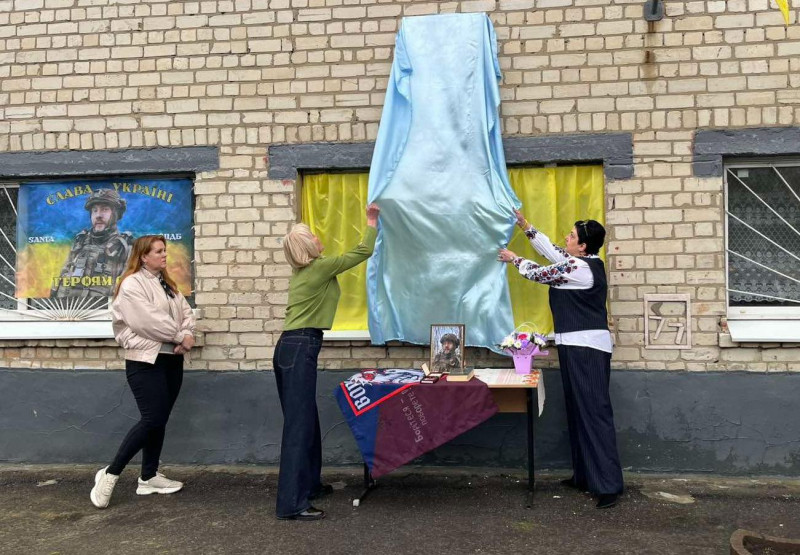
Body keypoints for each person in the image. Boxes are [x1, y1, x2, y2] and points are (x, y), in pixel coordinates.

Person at [498, 211, 623, 509]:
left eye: (572, 236)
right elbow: (552, 251)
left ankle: (608, 485)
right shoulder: (580, 261)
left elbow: (540, 273)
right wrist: (526, 226)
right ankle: (585, 476)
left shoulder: (579, 268)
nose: (566, 238)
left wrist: (514, 259)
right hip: (576, 347)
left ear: (583, 246)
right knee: (578, 411)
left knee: (593, 412)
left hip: (587, 349)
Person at [273, 203, 380, 521]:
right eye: (315, 237)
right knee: (299, 426)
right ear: (308, 246)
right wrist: (371, 221)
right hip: (299, 346)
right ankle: (291, 503)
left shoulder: (304, 271)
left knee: (306, 420)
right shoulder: (319, 268)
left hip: (291, 347)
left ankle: (310, 485)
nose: (320, 239)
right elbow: (362, 252)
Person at [90, 235, 195, 509]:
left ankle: (148, 477)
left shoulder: (168, 284)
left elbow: (186, 313)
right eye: (158, 251)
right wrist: (180, 335)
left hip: (171, 360)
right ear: (143, 256)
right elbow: (148, 321)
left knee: (160, 420)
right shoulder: (131, 284)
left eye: (165, 250)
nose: (164, 255)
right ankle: (110, 474)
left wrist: (187, 333)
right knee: (152, 418)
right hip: (145, 361)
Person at [51, 188, 134, 299]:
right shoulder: (80, 241)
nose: (98, 215)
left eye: (105, 210)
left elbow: (128, 291)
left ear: (115, 214)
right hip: (69, 307)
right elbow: (61, 278)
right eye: (95, 210)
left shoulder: (125, 247)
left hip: (104, 309)